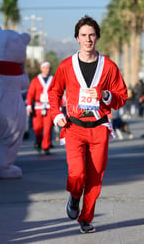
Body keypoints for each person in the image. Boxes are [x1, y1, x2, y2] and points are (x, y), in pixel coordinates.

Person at [48, 15, 128, 233]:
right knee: (77, 174)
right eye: (83, 35)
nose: (88, 39)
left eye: (92, 34)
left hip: (99, 127)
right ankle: (74, 197)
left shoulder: (109, 66)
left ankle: (86, 218)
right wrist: (56, 115)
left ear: (98, 37)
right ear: (77, 38)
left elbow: (122, 95)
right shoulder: (66, 66)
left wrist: (105, 94)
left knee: (94, 178)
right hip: (73, 127)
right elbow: (54, 92)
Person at [26, 61, 54, 155]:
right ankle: (38, 142)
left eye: (48, 68)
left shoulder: (53, 80)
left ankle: (46, 147)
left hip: (49, 107)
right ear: (41, 69)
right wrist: (29, 106)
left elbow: (58, 93)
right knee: (37, 128)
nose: (47, 70)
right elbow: (30, 94)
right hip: (38, 108)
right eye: (45, 68)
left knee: (47, 128)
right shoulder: (35, 80)